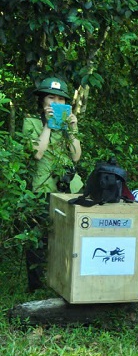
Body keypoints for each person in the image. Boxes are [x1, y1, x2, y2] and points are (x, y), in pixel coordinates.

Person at [22, 76, 83, 291]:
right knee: (38, 239)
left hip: (68, 189)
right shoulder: (31, 122)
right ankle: (36, 285)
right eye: (51, 97)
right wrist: (47, 125)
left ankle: (63, 281)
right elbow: (37, 154)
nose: (56, 103)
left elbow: (76, 157)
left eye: (60, 99)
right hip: (43, 188)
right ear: (42, 100)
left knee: (67, 237)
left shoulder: (66, 127)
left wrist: (72, 130)